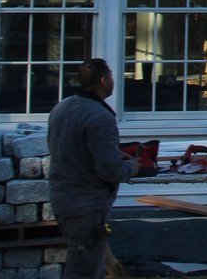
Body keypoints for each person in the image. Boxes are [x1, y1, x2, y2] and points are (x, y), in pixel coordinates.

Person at [47, 58, 137, 279]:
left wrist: (112, 154)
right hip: (87, 206)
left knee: (87, 261)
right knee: (85, 270)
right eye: (112, 76)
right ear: (104, 80)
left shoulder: (62, 107)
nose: (114, 81)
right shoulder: (100, 117)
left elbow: (71, 149)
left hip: (64, 198)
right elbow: (110, 171)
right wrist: (132, 167)